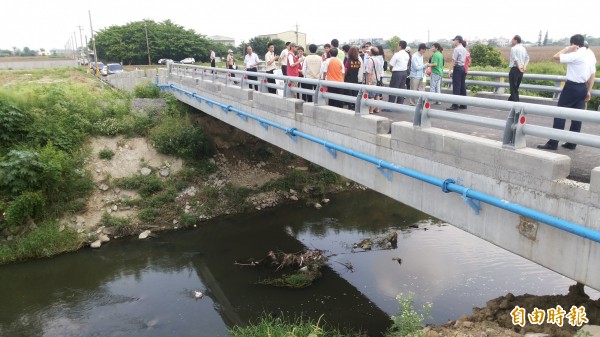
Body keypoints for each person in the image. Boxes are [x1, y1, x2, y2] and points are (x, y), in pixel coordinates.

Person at [537, 34, 596, 150]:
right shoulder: (590, 54)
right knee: (577, 116)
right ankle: (572, 143)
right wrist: (588, 91)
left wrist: (568, 49)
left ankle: (553, 143)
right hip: (583, 88)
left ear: (573, 44)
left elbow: (555, 57)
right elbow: (592, 75)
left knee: (560, 114)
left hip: (571, 87)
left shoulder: (576, 55)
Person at [447, 35, 467, 110]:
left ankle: (455, 105)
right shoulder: (464, 49)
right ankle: (463, 104)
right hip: (463, 68)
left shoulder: (457, 49)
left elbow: (453, 61)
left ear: (457, 40)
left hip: (458, 68)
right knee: (462, 86)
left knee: (456, 87)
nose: (454, 41)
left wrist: (449, 71)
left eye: (454, 40)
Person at [508, 35, 530, 102]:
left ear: (516, 40)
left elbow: (515, 59)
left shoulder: (513, 48)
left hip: (515, 69)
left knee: (513, 87)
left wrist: (519, 67)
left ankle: (516, 103)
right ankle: (510, 101)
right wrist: (524, 67)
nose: (511, 41)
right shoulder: (523, 49)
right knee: (516, 87)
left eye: (512, 39)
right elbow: (527, 58)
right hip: (521, 70)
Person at [388, 40, 410, 104]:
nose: (397, 46)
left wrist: (391, 70)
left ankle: (390, 105)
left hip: (397, 72)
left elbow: (391, 65)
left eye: (398, 45)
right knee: (401, 88)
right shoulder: (407, 54)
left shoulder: (397, 54)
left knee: (393, 88)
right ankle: (399, 104)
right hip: (404, 72)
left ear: (400, 46)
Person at [364, 47, 384, 114]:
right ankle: (377, 109)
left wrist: (368, 81)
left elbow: (369, 71)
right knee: (377, 95)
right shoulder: (378, 60)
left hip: (372, 79)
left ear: (371, 53)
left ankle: (371, 110)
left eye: (369, 51)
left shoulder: (370, 60)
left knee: (371, 96)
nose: (368, 52)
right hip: (377, 79)